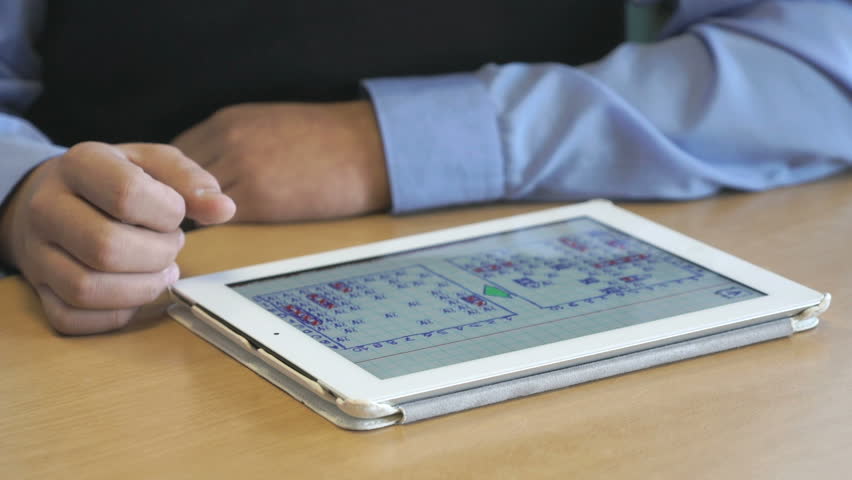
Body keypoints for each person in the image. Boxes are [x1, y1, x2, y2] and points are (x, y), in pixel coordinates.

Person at [1, 0, 850, 335]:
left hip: (537, 282)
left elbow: (815, 64)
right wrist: (21, 193)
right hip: (112, 305)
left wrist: (398, 142)